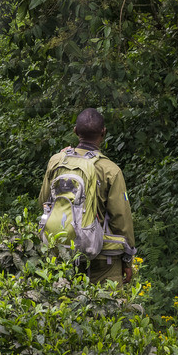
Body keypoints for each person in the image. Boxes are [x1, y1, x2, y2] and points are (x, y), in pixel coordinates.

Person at [40, 108, 135, 284]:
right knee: (108, 308)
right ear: (103, 133)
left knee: (64, 306)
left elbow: (44, 202)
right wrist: (127, 260)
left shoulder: (57, 161)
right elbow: (121, 219)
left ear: (75, 131)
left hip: (62, 251)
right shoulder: (111, 170)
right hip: (102, 257)